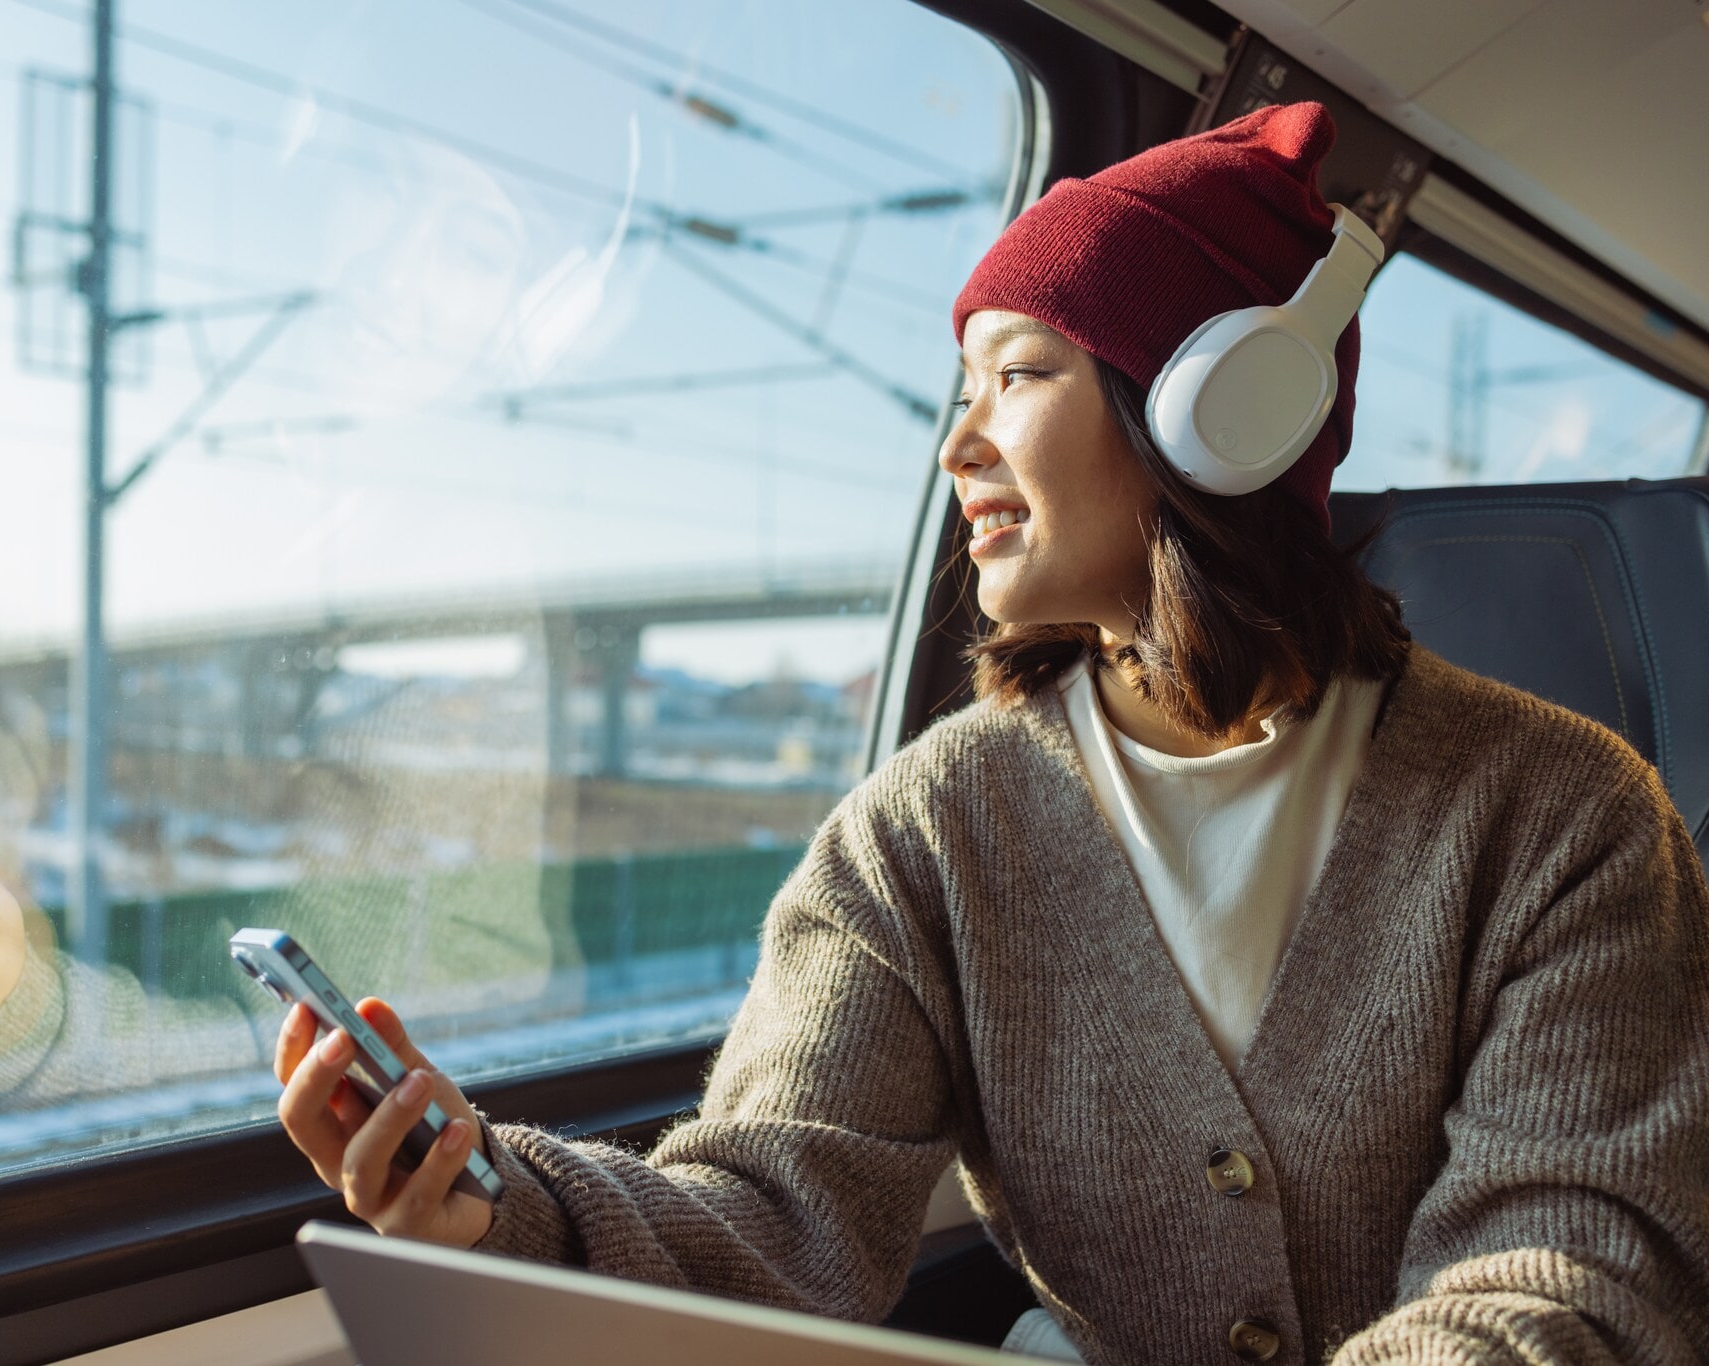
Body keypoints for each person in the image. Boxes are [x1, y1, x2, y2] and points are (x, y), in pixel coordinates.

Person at [269, 102, 1709, 1363]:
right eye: (965, 392)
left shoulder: (1568, 817)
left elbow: (1575, 1268)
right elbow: (778, 1204)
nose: (957, 448)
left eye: (1017, 375)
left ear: (1225, 411)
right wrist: (503, 1204)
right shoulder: (925, 830)